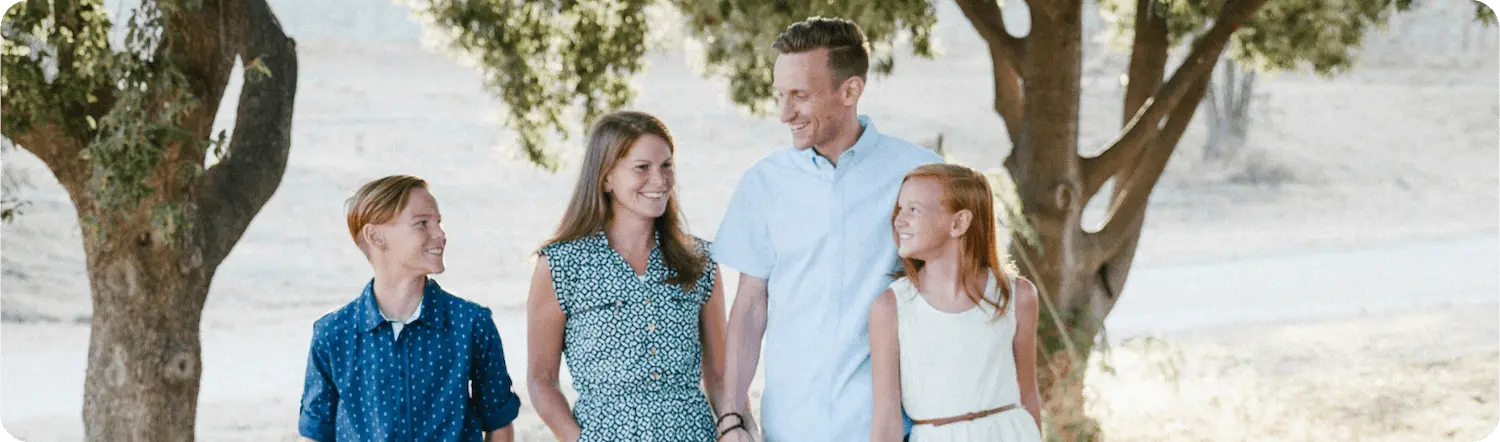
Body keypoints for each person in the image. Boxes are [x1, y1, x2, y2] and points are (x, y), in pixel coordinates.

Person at [712, 16, 944, 442]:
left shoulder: (921, 175)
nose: (785, 114)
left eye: (799, 96)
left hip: (893, 429)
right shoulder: (764, 183)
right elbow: (749, 307)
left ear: (850, 90)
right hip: (789, 428)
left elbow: (953, 294)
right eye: (780, 95)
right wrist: (731, 418)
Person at [526, 110, 731, 442]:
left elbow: (720, 376)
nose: (660, 180)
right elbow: (541, 380)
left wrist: (736, 426)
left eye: (666, 166)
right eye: (642, 168)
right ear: (606, 178)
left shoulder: (700, 261)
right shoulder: (562, 264)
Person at [298, 175, 521, 442]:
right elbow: (316, 433)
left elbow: (498, 423)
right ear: (375, 235)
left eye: (439, 222)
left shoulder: (471, 324)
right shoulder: (333, 334)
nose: (440, 234)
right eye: (422, 223)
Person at [869, 163, 1042, 442]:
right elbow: (887, 419)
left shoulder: (1018, 296)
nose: (898, 221)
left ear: (958, 223)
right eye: (899, 209)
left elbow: (1029, 394)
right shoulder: (891, 307)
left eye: (913, 210)